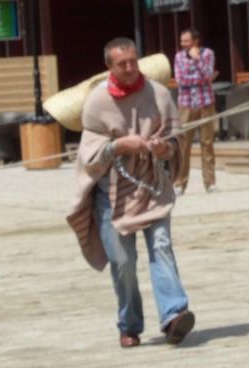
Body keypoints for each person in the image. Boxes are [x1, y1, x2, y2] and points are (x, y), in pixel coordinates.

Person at [66, 37, 195, 348]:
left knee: (162, 245)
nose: (129, 68)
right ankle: (130, 324)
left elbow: (177, 140)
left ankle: (174, 315)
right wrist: (118, 146)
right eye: (121, 64)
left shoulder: (159, 93)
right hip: (112, 195)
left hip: (153, 186)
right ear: (109, 67)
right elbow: (90, 157)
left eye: (133, 61)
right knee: (122, 262)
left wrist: (165, 148)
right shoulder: (97, 103)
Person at [173, 28, 218, 194]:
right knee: (184, 146)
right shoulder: (178, 56)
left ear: (195, 41)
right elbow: (180, 80)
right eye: (182, 41)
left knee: (207, 143)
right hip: (186, 105)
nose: (183, 44)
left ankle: (210, 183)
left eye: (186, 41)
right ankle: (180, 183)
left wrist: (197, 60)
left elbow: (208, 74)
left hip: (205, 102)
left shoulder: (208, 54)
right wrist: (200, 78)